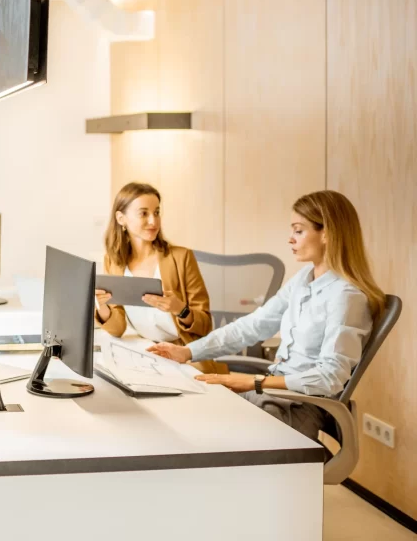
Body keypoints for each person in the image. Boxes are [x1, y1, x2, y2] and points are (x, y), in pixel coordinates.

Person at [148, 190, 384, 440]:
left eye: (298, 230)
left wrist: (254, 382)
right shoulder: (304, 278)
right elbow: (254, 326)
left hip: (300, 404)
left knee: (209, 432)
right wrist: (189, 351)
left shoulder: (346, 296)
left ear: (326, 233)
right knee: (192, 409)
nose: (290, 239)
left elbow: (330, 378)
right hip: (273, 391)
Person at [95, 182, 213, 349]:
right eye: (143, 213)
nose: (153, 221)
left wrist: (180, 309)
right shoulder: (113, 262)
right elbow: (118, 329)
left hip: (184, 354)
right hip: (145, 350)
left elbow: (206, 325)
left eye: (156, 212)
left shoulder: (181, 257)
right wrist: (102, 306)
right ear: (121, 219)